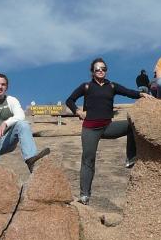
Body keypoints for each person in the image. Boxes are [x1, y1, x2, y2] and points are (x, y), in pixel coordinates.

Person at [66, 58, 154, 204]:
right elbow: (70, 100)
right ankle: (84, 195)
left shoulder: (112, 86)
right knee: (88, 160)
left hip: (107, 127)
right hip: (90, 129)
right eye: (97, 69)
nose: (101, 71)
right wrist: (78, 112)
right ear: (92, 72)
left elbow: (128, 92)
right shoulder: (86, 86)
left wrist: (141, 94)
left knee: (132, 125)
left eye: (103, 68)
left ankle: (130, 157)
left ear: (106, 70)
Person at [0, 73, 50, 171]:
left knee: (23, 124)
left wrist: (5, 123)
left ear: (7, 87)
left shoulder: (12, 100)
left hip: (7, 140)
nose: (0, 87)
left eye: (3, 85)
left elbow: (21, 116)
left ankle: (31, 160)